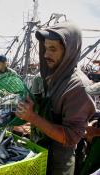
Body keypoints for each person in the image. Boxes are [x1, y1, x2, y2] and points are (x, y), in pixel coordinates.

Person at [15, 21, 96, 175]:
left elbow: (71, 137)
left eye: (53, 49)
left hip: (58, 164)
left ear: (69, 51)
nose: (46, 55)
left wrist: (32, 117)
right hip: (36, 152)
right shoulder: (43, 77)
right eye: (45, 48)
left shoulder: (78, 87)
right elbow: (32, 106)